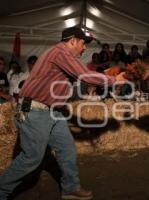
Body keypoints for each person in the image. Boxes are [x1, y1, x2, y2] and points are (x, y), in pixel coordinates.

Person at [0, 26, 126, 200]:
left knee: (66, 149)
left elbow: (83, 75)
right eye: (83, 43)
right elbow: (84, 76)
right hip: (36, 110)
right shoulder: (60, 52)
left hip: (53, 112)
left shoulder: (65, 57)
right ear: (72, 40)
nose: (84, 48)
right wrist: (115, 79)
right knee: (32, 158)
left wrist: (107, 74)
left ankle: (70, 188)